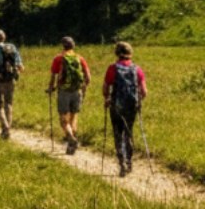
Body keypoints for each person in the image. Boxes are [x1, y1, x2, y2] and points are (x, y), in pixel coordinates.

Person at [101, 41, 148, 176]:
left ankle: (121, 163)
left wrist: (107, 98)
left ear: (117, 53)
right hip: (131, 106)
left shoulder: (112, 68)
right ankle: (129, 162)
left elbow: (105, 88)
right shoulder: (137, 69)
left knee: (118, 133)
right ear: (130, 53)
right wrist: (137, 101)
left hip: (116, 105)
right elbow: (144, 91)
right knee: (129, 132)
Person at [45, 36, 91, 154]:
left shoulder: (58, 58)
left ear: (62, 46)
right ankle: (71, 147)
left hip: (64, 92)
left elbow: (53, 76)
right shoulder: (80, 58)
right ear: (73, 46)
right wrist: (83, 88)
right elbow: (88, 77)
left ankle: (71, 139)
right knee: (73, 117)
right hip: (77, 91)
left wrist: (51, 88)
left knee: (63, 120)